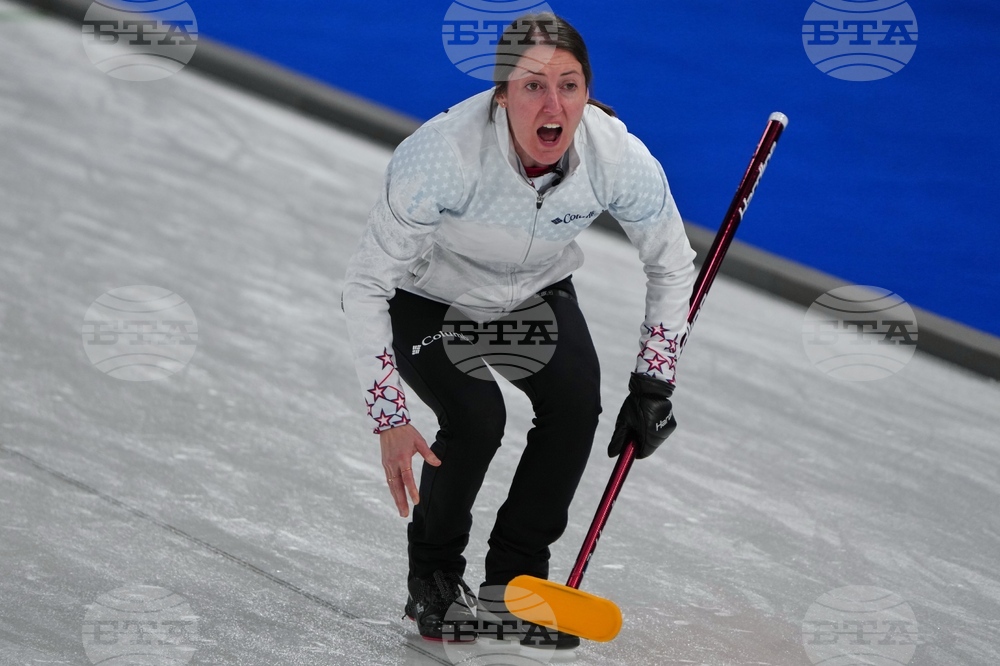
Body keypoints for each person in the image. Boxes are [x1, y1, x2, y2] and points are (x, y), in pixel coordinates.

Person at [342, 12, 695, 648]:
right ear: (500, 93)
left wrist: (653, 382)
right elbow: (366, 285)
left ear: (588, 91)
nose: (553, 104)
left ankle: (516, 585)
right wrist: (388, 417)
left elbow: (671, 261)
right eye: (532, 85)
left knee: (574, 407)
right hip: (432, 299)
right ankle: (435, 576)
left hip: (533, 294)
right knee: (477, 420)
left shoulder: (615, 154)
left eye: (570, 84)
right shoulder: (443, 154)